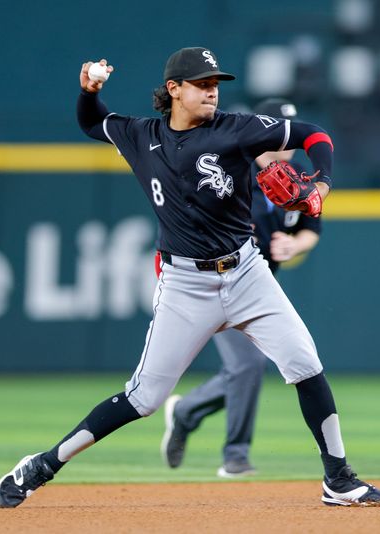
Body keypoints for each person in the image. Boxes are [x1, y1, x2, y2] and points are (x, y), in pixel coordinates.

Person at [0, 47, 380, 508]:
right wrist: (88, 91)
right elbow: (91, 122)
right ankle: (42, 465)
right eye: (202, 84)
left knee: (305, 364)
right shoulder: (139, 135)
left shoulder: (239, 129)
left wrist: (321, 184)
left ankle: (339, 479)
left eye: (216, 83)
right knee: (143, 398)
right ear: (174, 90)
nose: (212, 91)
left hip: (246, 273)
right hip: (185, 286)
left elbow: (314, 135)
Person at [160, 98, 323, 478]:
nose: (286, 146)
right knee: (248, 364)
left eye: (289, 137)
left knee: (251, 368)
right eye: (278, 136)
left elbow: (311, 230)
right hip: (214, 283)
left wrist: (294, 244)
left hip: (259, 287)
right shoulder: (230, 169)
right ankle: (235, 455)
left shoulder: (295, 176)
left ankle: (186, 411)